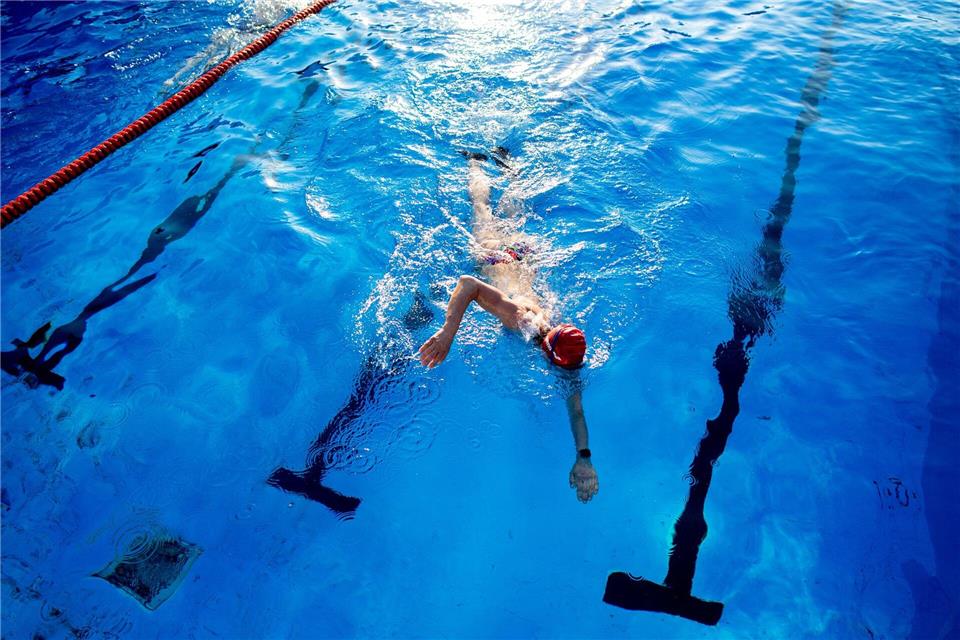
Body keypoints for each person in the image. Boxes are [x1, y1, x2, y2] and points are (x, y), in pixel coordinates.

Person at [418, 148, 599, 503]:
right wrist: (446, 333)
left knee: (513, 213)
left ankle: (509, 166)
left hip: (522, 258)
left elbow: (576, 410)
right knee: (481, 209)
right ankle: (474, 162)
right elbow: (468, 284)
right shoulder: (521, 320)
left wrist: (584, 458)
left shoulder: (556, 341)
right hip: (495, 258)